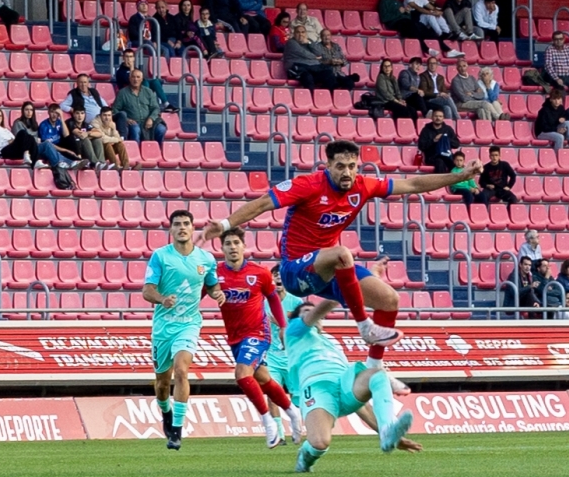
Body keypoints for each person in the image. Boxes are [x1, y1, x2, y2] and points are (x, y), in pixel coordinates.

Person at [198, 140, 482, 374]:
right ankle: (364, 326)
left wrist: (458, 176)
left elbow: (413, 184)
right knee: (343, 254)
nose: (347, 172)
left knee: (389, 300)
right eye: (340, 167)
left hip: (331, 271)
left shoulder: (363, 185)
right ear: (327, 167)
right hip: (295, 271)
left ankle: (374, 368)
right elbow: (262, 203)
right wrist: (223, 225)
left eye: (351, 166)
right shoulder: (307, 185)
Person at [290, 299, 420, 473]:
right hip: (317, 386)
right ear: (295, 318)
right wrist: (340, 290)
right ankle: (306, 456)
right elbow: (316, 312)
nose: (312, 315)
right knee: (320, 443)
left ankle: (387, 429)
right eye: (305, 311)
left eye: (313, 312)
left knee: (377, 375)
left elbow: (363, 407)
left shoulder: (332, 344)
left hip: (343, 382)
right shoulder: (294, 331)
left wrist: (388, 435)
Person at [143, 210, 226, 451]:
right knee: (161, 384)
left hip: (189, 324)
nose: (182, 227)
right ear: (171, 230)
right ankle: (166, 413)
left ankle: (176, 431)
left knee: (181, 370)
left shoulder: (206, 259)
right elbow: (147, 291)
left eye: (186, 224)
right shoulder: (160, 257)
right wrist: (161, 299)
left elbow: (212, 285)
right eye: (177, 224)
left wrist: (217, 293)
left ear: (192, 228)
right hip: (163, 327)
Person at [217, 228, 303, 448]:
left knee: (242, 374)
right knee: (263, 379)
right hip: (235, 336)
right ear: (222, 248)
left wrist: (283, 325)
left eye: (237, 242)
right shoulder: (215, 274)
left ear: (244, 246)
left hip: (258, 332)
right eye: (228, 243)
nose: (233, 247)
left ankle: (269, 425)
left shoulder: (260, 273)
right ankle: (293, 413)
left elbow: (273, 298)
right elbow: (199, 295)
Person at [264, 264, 305, 444]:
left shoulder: (296, 302)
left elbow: (304, 325)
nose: (278, 278)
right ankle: (279, 435)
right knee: (272, 394)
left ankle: (299, 430)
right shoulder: (262, 302)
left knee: (298, 399)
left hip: (292, 357)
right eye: (274, 275)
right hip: (271, 356)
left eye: (281, 275)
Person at [112, 68, 167, 145]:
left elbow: (156, 108)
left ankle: (157, 152)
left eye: (138, 77)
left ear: (142, 79)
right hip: (133, 122)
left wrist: (151, 119)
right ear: (129, 78)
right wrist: (126, 120)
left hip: (148, 121)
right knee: (135, 129)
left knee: (161, 129)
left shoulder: (148, 91)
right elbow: (115, 110)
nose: (135, 79)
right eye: (133, 77)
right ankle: (136, 153)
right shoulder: (122, 93)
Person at [115, 47, 175, 113]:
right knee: (145, 83)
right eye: (126, 57)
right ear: (123, 58)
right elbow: (132, 82)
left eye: (131, 57)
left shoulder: (136, 69)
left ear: (134, 58)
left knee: (155, 81)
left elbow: (141, 80)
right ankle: (146, 104)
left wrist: (133, 68)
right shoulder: (120, 71)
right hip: (128, 92)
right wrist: (131, 68)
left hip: (139, 91)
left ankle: (166, 104)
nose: (129, 59)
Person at [283, 25, 337, 91]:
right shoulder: (291, 42)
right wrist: (316, 57)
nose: (300, 34)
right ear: (294, 34)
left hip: (312, 68)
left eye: (303, 32)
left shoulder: (308, 41)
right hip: (298, 68)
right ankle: (311, 97)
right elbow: (304, 53)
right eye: (298, 32)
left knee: (329, 74)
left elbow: (319, 52)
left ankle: (323, 95)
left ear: (306, 34)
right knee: (307, 77)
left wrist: (309, 43)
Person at [38, 103, 85, 167]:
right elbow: (47, 144)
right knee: (56, 149)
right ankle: (73, 162)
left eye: (56, 113)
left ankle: (79, 158)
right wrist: (66, 150)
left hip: (59, 145)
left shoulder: (59, 122)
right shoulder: (44, 125)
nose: (54, 115)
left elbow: (66, 135)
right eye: (52, 112)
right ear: (48, 112)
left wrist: (62, 118)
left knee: (71, 138)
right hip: (50, 147)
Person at [416, 108, 460, 173]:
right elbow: (421, 146)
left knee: (457, 163)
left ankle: (458, 182)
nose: (438, 118)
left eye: (440, 116)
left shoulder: (448, 129)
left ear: (443, 118)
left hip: (446, 155)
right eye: (436, 116)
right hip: (432, 157)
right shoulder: (426, 130)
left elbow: (456, 144)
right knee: (440, 162)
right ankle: (441, 182)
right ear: (432, 117)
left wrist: (446, 139)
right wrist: (434, 140)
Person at [419, 55, 458, 120]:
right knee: (448, 99)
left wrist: (446, 94)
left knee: (447, 108)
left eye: (434, 63)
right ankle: (458, 119)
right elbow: (424, 92)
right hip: (430, 99)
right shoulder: (423, 76)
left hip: (440, 99)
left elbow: (444, 90)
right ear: (427, 65)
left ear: (437, 65)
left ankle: (450, 126)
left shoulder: (440, 77)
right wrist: (438, 94)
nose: (432, 65)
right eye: (430, 63)